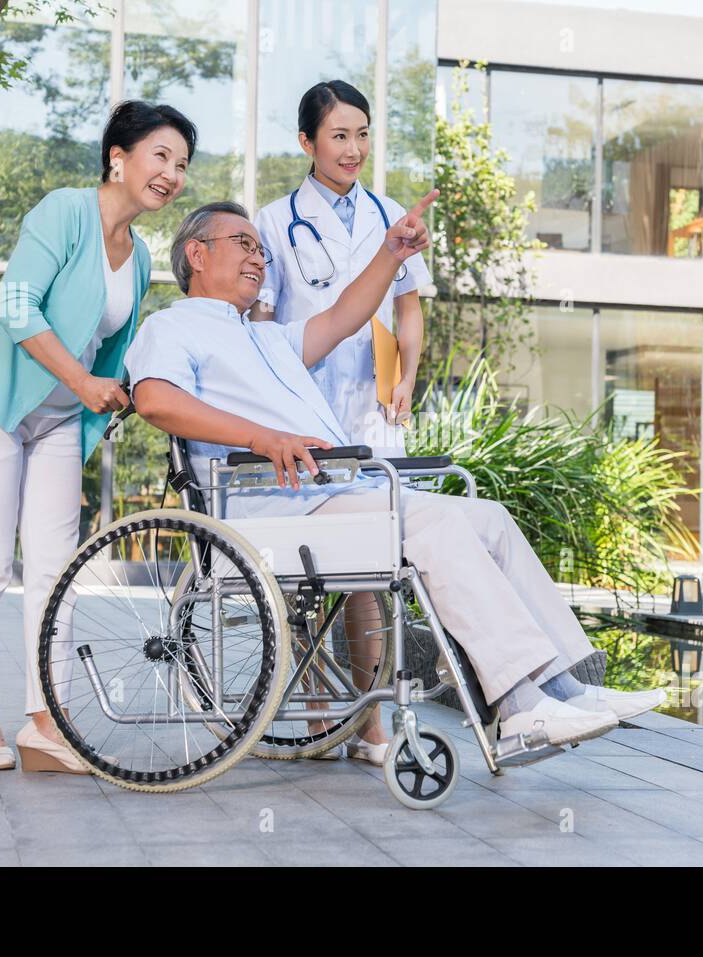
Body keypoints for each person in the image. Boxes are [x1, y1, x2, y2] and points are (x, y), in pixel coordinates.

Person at [123, 198, 667, 754]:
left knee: (490, 519)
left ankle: (567, 688)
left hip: (334, 494)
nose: (259, 259)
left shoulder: (266, 339)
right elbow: (156, 400)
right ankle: (518, 709)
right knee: (434, 527)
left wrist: (390, 252)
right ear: (196, 253)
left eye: (261, 250)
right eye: (244, 245)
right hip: (274, 512)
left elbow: (343, 318)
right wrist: (262, 438)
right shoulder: (171, 327)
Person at [0, 100, 195, 774]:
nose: (172, 174)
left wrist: (118, 392)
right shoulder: (65, 211)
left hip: (57, 417)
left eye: (181, 165)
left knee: (56, 570)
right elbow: (17, 306)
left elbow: (111, 353)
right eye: (161, 156)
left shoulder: (139, 256)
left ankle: (45, 720)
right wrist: (82, 380)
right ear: (119, 155)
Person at [253, 80, 433, 760]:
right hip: (307, 410)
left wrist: (410, 375)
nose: (353, 148)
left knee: (369, 572)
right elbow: (264, 316)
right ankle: (321, 715)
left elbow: (410, 307)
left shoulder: (392, 214)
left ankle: (373, 725)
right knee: (305, 571)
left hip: (374, 410)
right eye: (339, 135)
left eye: (362, 134)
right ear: (306, 141)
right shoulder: (273, 221)